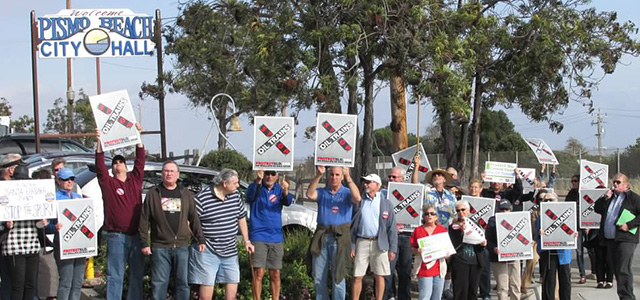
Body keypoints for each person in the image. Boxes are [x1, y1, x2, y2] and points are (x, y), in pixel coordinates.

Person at [139, 160, 206, 300]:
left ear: (177, 175)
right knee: (159, 284)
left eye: (172, 171)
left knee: (182, 284)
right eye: (166, 171)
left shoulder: (185, 194)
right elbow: (144, 219)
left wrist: (200, 239)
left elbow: (194, 218)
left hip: (181, 247)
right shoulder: (153, 194)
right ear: (162, 174)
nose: (168, 173)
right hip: (160, 247)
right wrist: (144, 243)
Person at [95, 124, 145, 300]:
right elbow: (100, 165)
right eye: (115, 162)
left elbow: (140, 160)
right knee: (114, 275)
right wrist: (100, 140)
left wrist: (138, 136)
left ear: (125, 165)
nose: (118, 165)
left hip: (136, 235)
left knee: (136, 275)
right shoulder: (108, 183)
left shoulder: (135, 180)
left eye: (121, 162)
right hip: (116, 236)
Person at [189, 168, 254, 300]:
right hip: (208, 250)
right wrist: (199, 239)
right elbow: (189, 223)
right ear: (224, 184)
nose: (237, 186)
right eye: (235, 183)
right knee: (206, 291)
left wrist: (247, 241)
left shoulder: (235, 196)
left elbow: (241, 218)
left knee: (232, 288)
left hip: (230, 250)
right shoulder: (202, 198)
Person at [306, 166, 361, 300]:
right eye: (332, 175)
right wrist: (319, 175)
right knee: (318, 277)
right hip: (322, 237)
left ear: (341, 177)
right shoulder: (322, 192)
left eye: (337, 175)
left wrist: (348, 177)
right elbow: (309, 194)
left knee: (338, 277)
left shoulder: (347, 192)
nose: (334, 178)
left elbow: (357, 198)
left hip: (340, 238)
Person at [246, 170, 293, 300]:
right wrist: (257, 181)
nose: (269, 176)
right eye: (267, 173)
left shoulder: (279, 188)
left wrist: (286, 191)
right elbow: (249, 197)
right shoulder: (255, 186)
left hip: (276, 236)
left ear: (277, 176)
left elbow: (288, 201)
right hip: (258, 235)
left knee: (275, 273)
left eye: (273, 174)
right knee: (259, 272)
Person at [1, 165, 46, 300]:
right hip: (14, 245)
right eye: (18, 179)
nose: (21, 182)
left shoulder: (32, 196)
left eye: (24, 179)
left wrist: (42, 222)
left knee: (30, 284)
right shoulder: (6, 195)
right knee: (18, 285)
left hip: (32, 244)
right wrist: (6, 224)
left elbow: (37, 224)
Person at [351, 174, 397, 300]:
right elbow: (353, 224)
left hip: (380, 243)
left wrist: (392, 249)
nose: (365, 184)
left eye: (369, 182)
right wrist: (352, 245)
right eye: (365, 182)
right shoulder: (359, 201)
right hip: (362, 241)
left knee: (380, 276)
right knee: (357, 276)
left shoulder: (386, 203)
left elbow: (391, 228)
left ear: (377, 185)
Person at [594, 173, 640, 300]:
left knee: (623, 268)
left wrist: (629, 225)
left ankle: (627, 297)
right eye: (614, 182)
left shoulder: (633, 198)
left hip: (626, 239)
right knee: (616, 269)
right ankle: (623, 295)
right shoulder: (611, 198)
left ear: (626, 185)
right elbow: (596, 209)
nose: (615, 184)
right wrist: (604, 197)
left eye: (618, 182)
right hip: (611, 239)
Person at [47, 168, 86, 300]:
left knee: (77, 282)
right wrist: (54, 227)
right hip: (64, 244)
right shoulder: (54, 198)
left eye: (72, 179)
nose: (69, 182)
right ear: (58, 181)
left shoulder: (78, 197)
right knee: (66, 281)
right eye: (65, 179)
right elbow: (46, 225)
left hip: (79, 244)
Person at [382, 167, 413, 300]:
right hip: (390, 237)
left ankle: (404, 297)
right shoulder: (383, 193)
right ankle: (388, 296)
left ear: (403, 178)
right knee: (388, 270)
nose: (391, 179)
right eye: (390, 177)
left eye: (394, 177)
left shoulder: (413, 192)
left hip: (407, 236)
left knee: (405, 271)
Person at [448, 200, 487, 300]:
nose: (461, 212)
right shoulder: (453, 226)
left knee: (473, 291)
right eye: (458, 210)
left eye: (463, 210)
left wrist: (483, 244)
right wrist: (461, 232)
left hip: (475, 262)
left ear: (468, 211)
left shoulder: (475, 224)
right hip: (460, 261)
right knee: (461, 291)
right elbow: (453, 243)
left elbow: (479, 243)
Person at [536, 192, 571, 300]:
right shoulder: (540, 217)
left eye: (550, 200)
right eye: (545, 200)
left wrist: (574, 234)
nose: (547, 202)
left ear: (557, 201)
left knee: (565, 280)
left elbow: (571, 230)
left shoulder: (567, 215)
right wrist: (539, 234)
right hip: (548, 251)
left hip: (563, 251)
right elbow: (536, 237)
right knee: (549, 281)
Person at [0, 154, 25, 300]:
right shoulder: (3, 188)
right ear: (11, 170)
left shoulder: (17, 188)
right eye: (18, 168)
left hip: (17, 243)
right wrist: (4, 224)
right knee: (8, 280)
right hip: (3, 240)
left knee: (15, 281)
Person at [410, 204, 448, 300]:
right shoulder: (418, 230)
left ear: (436, 216)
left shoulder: (442, 230)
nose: (429, 216)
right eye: (427, 214)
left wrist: (447, 254)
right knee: (424, 297)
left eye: (432, 213)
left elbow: (447, 248)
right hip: (424, 268)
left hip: (439, 269)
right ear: (423, 216)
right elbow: (411, 248)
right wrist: (417, 250)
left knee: (437, 297)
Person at [486, 200, 521, 300]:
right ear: (498, 211)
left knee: (516, 285)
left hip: (514, 256)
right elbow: (488, 239)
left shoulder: (517, 219)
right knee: (502, 287)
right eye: (502, 209)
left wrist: (528, 243)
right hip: (498, 258)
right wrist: (494, 248)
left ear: (511, 210)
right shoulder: (492, 220)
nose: (504, 211)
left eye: (506, 209)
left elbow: (524, 234)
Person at [564, 173, 589, 284]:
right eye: (572, 181)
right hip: (576, 226)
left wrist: (589, 224)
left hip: (587, 225)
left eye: (575, 181)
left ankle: (598, 273)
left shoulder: (585, 193)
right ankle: (582, 274)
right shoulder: (571, 193)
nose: (573, 183)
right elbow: (566, 207)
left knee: (593, 251)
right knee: (578, 251)